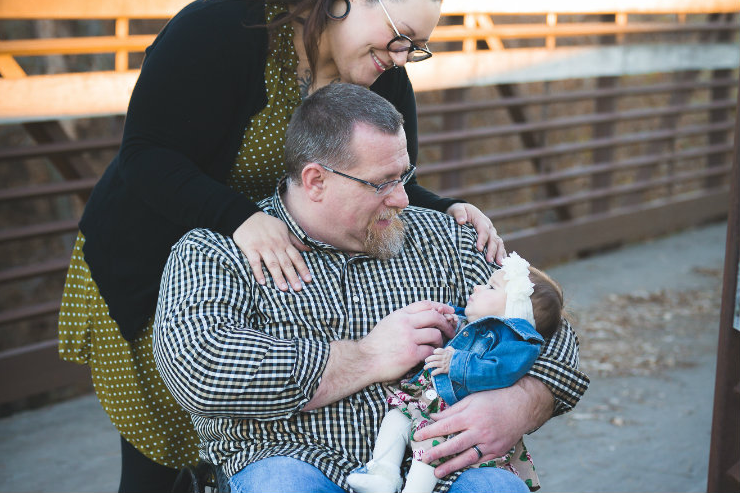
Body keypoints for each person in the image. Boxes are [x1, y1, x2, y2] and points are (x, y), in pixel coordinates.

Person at [57, 0, 507, 490]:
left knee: (241, 443)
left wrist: (452, 209)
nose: (400, 57)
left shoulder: (386, 77)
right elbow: (144, 154)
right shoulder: (221, 29)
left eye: (415, 48)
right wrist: (239, 219)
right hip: (148, 259)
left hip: (257, 275)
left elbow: (389, 180)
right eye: (399, 37)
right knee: (165, 463)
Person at [153, 83, 589, 493]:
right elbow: (199, 369)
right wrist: (365, 357)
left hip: (437, 470)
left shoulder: (448, 238)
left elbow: (550, 325)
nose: (403, 197)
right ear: (315, 181)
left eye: (404, 174)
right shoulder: (216, 252)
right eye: (382, 183)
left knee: (496, 487)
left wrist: (523, 401)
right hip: (293, 459)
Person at [347, 252, 564, 493]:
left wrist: (456, 363)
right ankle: (383, 473)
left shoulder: (517, 346)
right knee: (396, 418)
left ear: (515, 310)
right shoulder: (479, 327)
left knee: (431, 449)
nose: (478, 287)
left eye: (491, 287)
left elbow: (499, 371)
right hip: (427, 402)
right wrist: (454, 327)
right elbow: (466, 342)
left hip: (453, 415)